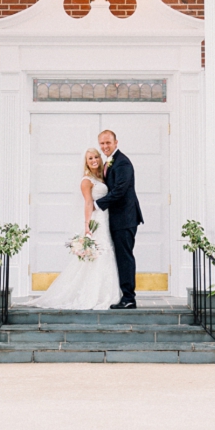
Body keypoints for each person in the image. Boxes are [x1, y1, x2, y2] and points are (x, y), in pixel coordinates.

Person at [33, 148, 121, 310]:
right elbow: (88, 202)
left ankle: (105, 292)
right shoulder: (86, 180)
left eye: (96, 157)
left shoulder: (101, 177)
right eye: (90, 158)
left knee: (106, 253)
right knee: (98, 255)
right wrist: (87, 225)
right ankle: (92, 294)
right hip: (97, 220)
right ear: (86, 162)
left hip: (106, 218)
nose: (94, 160)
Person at [94, 128, 143, 309]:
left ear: (116, 142)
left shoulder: (122, 163)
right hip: (116, 219)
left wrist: (98, 204)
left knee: (125, 257)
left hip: (125, 218)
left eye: (108, 142)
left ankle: (129, 298)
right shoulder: (109, 162)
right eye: (102, 143)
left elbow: (120, 191)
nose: (105, 146)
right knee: (120, 257)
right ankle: (122, 294)